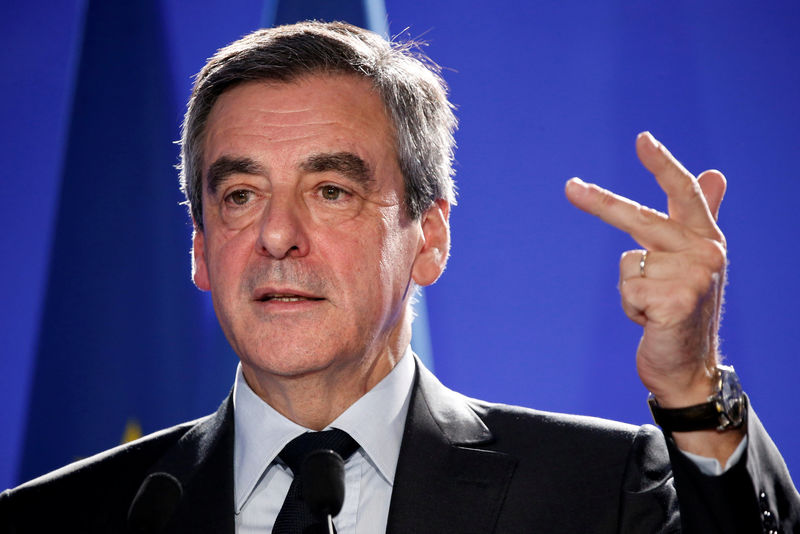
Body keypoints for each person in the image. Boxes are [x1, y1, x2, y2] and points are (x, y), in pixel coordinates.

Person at [0, 20, 797, 533]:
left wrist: (693, 386)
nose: (278, 234)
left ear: (430, 238)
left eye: (332, 191)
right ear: (202, 249)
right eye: (240, 196)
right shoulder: (68, 518)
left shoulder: (596, 493)